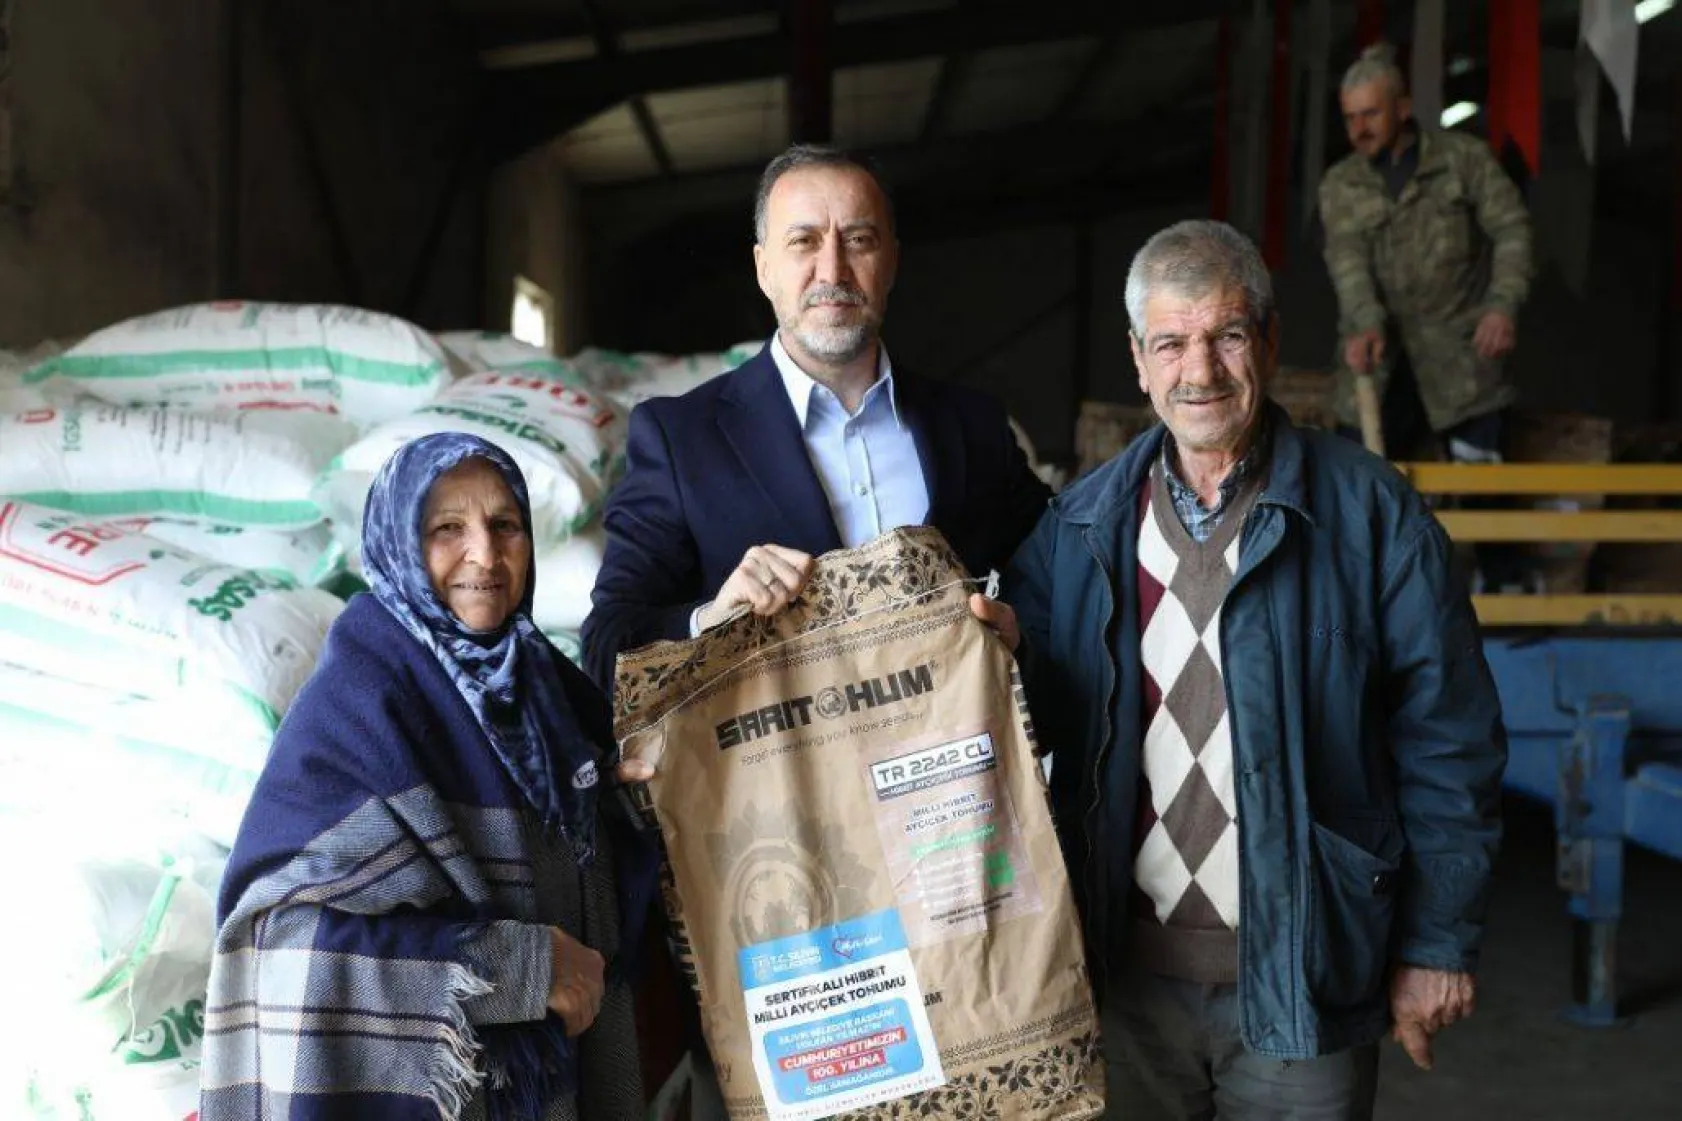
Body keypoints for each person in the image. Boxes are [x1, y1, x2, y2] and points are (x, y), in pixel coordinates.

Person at [996, 220, 1507, 1120]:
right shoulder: (1078, 529)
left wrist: (1436, 942)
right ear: (1138, 360)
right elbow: (1021, 710)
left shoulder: (1370, 513)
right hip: (1125, 983)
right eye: (1171, 343)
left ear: (1268, 342)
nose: (1200, 370)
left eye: (1227, 335)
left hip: (1306, 978)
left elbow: (1449, 739)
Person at [201, 433, 657, 1121]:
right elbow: (278, 944)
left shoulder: (544, 688)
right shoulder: (360, 703)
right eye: (448, 529)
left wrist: (622, 799)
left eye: (505, 524)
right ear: (399, 546)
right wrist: (516, 968)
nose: (485, 554)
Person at [580, 142, 1050, 693]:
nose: (833, 270)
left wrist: (1021, 636)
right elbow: (607, 646)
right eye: (803, 241)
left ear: (892, 262)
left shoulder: (973, 424)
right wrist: (711, 620)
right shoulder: (680, 439)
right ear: (763, 268)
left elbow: (1057, 575)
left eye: (859, 240)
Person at [1320, 43, 1532, 469]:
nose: (1359, 129)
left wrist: (1502, 306)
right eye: (1350, 118)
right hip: (1380, 362)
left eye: (1370, 114)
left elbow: (1512, 228)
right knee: (1360, 485)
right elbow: (1347, 261)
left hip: (1464, 365)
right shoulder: (1341, 185)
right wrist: (1365, 321)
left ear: (1402, 108)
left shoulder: (1463, 161)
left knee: (1478, 492)